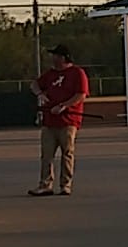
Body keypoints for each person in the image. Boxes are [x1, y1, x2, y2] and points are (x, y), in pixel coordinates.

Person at [29, 44, 89, 196]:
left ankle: (65, 184)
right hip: (49, 121)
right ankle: (45, 184)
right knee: (46, 155)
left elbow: (81, 94)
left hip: (68, 121)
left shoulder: (77, 73)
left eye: (55, 55)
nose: (52, 58)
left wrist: (64, 106)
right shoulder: (50, 74)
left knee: (67, 153)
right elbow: (35, 84)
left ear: (63, 58)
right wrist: (40, 94)